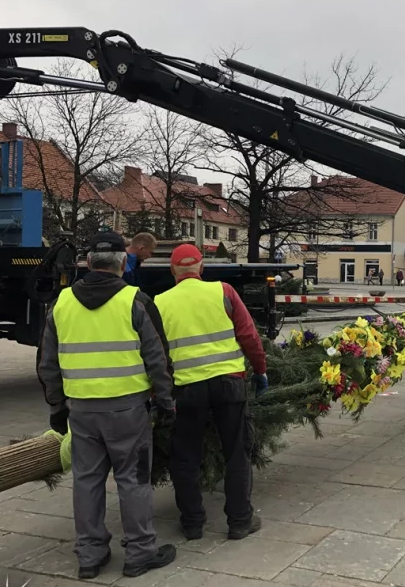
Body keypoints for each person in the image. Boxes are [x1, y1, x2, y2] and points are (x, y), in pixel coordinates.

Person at [36, 231, 176, 579]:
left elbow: (47, 364)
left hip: (81, 411)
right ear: (124, 262)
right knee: (133, 479)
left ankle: (90, 555)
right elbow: (158, 360)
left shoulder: (61, 304)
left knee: (86, 480)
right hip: (129, 410)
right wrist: (166, 401)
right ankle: (140, 551)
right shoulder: (136, 301)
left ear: (86, 263)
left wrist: (57, 407)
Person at [153, 244, 269, 541]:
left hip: (187, 388)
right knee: (235, 452)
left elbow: (155, 352)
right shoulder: (224, 291)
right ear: (201, 269)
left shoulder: (160, 302)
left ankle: (192, 523)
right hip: (229, 384)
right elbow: (248, 334)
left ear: (172, 272)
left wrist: (158, 390)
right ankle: (240, 521)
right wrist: (260, 369)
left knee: (186, 456)